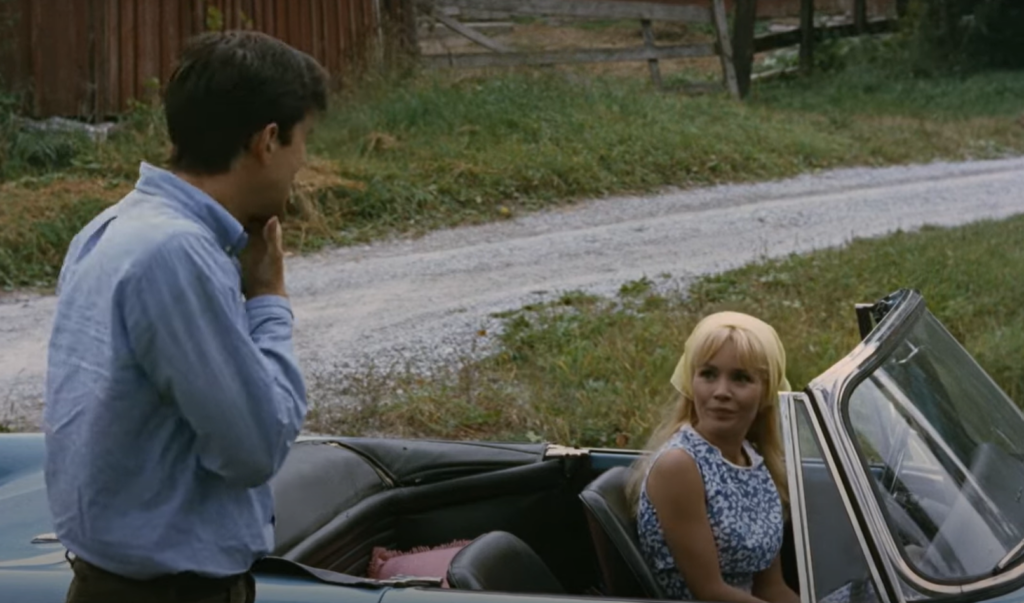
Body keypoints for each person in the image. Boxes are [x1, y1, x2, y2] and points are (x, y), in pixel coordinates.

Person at [43, 30, 329, 603]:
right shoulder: (178, 254)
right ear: (267, 141)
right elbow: (254, 447)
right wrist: (269, 298)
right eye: (304, 140)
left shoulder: (112, 227)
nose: (304, 162)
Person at [627, 311, 799, 603]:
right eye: (708, 374)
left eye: (741, 378)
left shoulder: (756, 460)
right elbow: (711, 592)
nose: (721, 392)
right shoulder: (679, 465)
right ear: (691, 382)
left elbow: (771, 588)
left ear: (766, 392)